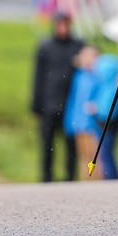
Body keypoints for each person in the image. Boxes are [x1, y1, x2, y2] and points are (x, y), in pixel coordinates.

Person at [31, 12, 86, 182]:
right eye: (59, 24)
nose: (62, 28)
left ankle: (70, 176)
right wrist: (36, 103)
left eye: (65, 24)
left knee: (71, 145)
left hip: (71, 105)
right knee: (47, 144)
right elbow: (38, 77)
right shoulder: (46, 47)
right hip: (49, 105)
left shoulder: (78, 46)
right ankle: (46, 177)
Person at [63, 45, 118, 180]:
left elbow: (102, 100)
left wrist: (95, 109)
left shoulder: (99, 77)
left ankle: (101, 181)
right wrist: (71, 123)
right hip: (79, 123)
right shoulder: (79, 76)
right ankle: (87, 181)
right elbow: (75, 102)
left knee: (97, 155)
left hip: (94, 124)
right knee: (83, 156)